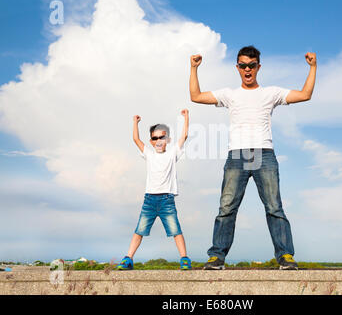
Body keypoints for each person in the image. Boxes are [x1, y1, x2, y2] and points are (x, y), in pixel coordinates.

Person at [189, 45, 317, 270]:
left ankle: (285, 256)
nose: (247, 69)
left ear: (259, 67)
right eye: (243, 65)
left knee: (274, 207)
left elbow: (305, 95)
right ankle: (217, 256)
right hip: (237, 155)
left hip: (263, 153)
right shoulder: (230, 95)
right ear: (237, 67)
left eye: (252, 65)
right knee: (226, 207)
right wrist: (193, 68)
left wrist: (313, 67)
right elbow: (196, 96)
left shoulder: (271, 93)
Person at [116, 110, 192, 270]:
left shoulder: (172, 153)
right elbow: (135, 139)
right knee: (139, 230)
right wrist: (135, 123)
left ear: (168, 139)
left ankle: (184, 258)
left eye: (162, 137)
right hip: (149, 200)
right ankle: (128, 258)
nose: (158, 140)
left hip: (167, 200)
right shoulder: (149, 154)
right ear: (151, 141)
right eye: (155, 138)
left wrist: (186, 118)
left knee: (175, 230)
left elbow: (184, 136)